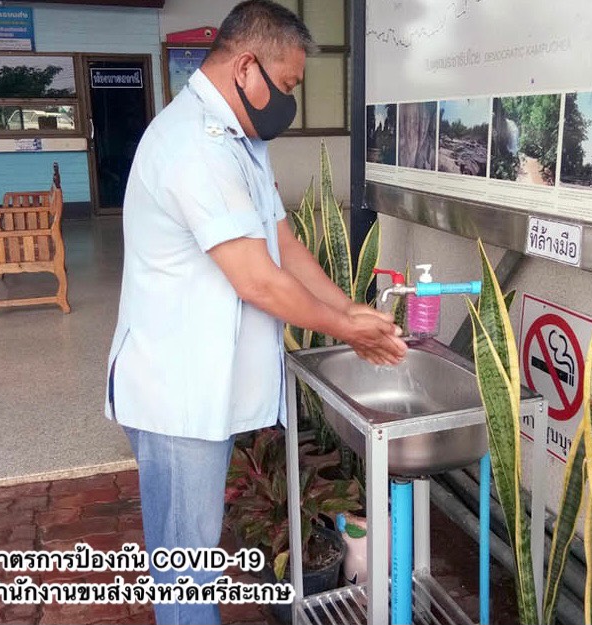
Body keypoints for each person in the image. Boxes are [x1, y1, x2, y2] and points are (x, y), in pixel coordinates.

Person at [104, 1, 406, 623]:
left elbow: (282, 243)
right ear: (245, 67)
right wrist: (347, 329)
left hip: (200, 389)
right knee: (184, 568)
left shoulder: (242, 139)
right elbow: (258, 280)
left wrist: (348, 306)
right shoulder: (194, 145)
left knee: (191, 555)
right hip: (176, 397)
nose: (289, 102)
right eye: (287, 85)